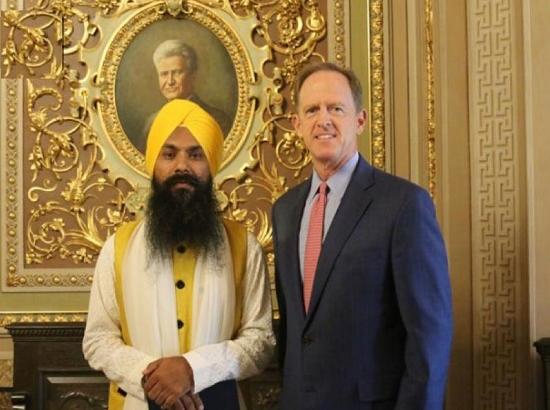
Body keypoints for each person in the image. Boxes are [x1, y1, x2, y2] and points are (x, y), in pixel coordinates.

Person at [271, 62, 453, 409]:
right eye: (311, 110)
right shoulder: (284, 211)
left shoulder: (403, 204)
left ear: (360, 120)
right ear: (297, 124)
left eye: (335, 108)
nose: (323, 119)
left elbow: (430, 337)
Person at [84, 99, 275, 410]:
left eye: (196, 154)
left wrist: (193, 369)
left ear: (211, 164)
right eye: (169, 154)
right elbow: (98, 341)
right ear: (153, 164)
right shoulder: (117, 247)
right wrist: (154, 380)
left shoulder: (244, 246)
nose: (182, 166)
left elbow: (260, 342)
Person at [137, 40, 231, 152]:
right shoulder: (152, 123)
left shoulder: (217, 120)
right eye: (164, 74)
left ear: (193, 76)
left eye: (177, 72)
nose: (170, 81)